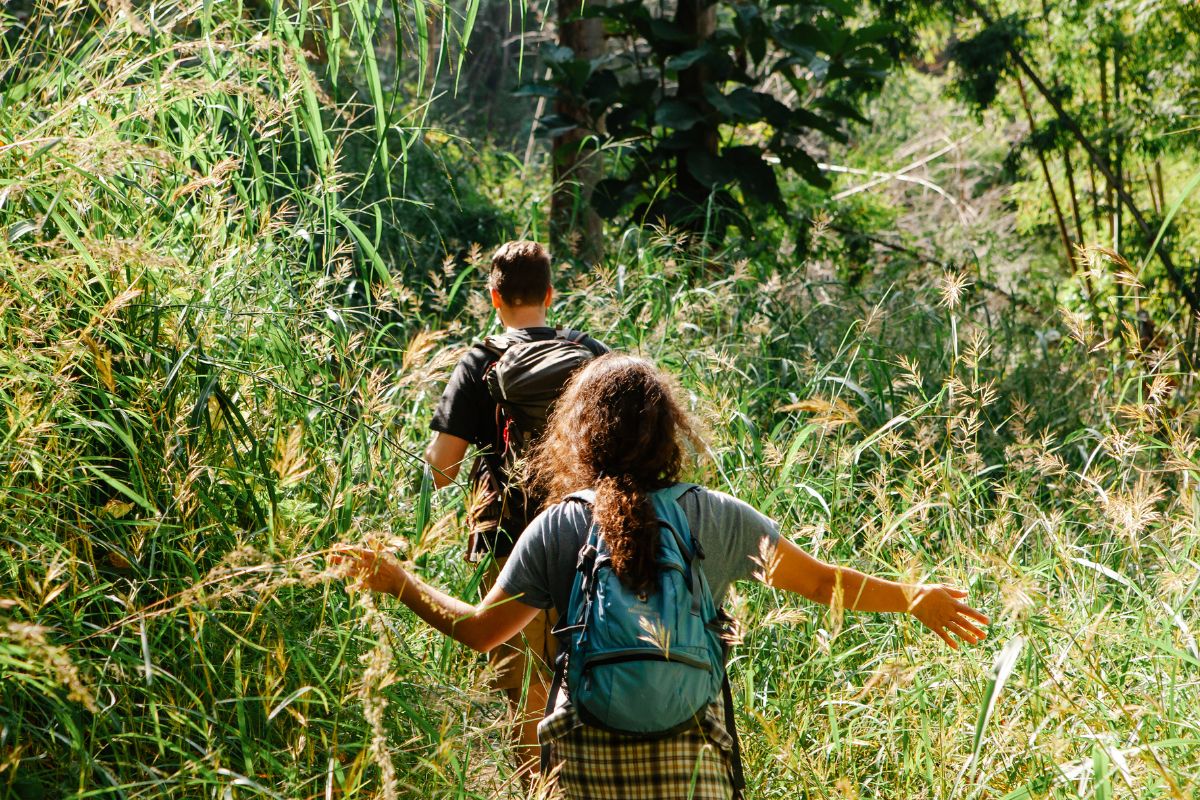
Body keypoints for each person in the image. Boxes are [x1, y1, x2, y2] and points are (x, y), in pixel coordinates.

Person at [343, 354, 989, 797]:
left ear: (579, 435)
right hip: (690, 761)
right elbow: (823, 584)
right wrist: (913, 599)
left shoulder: (560, 526)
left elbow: (481, 631)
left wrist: (399, 580)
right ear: (671, 432)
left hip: (585, 760)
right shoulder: (716, 517)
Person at [422, 240, 609, 776]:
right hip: (589, 542)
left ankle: (538, 790)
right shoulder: (592, 356)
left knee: (526, 691)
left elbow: (442, 469)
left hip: (506, 545)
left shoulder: (480, 360)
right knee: (593, 680)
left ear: (493, 296)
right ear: (550, 294)